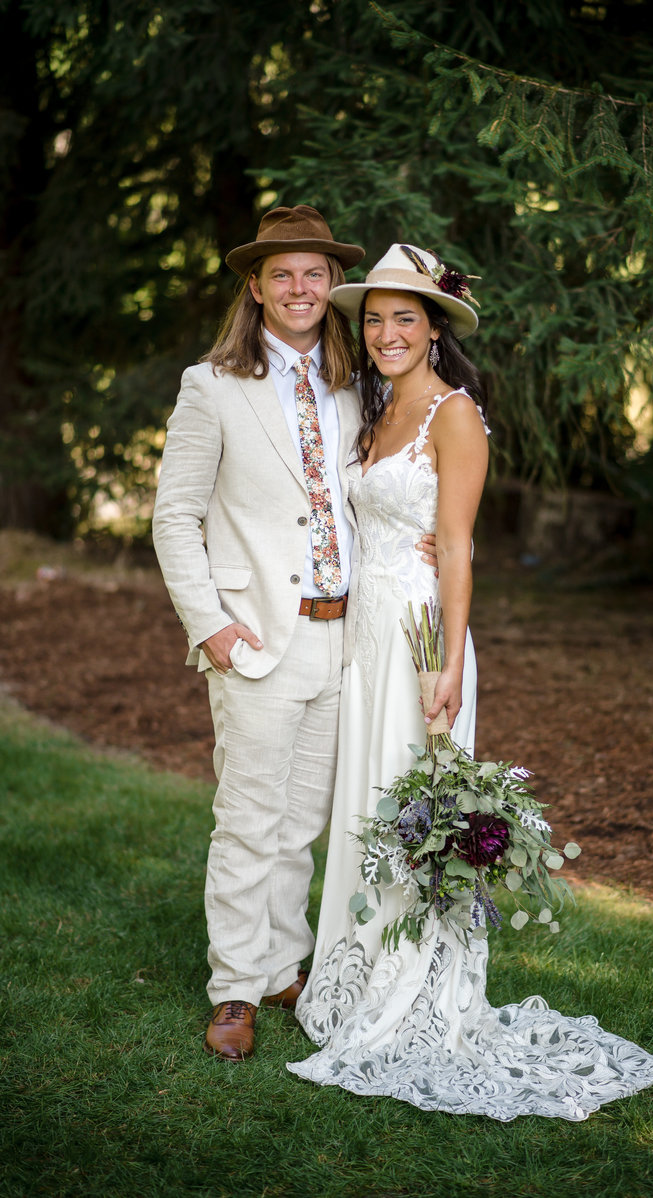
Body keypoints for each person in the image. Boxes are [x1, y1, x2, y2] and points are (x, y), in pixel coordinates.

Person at [287, 243, 653, 1121]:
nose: (386, 333)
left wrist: (450, 660)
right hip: (365, 637)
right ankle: (356, 978)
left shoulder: (453, 414)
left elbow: (457, 545)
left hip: (422, 636)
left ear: (435, 329)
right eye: (374, 319)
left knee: (412, 804)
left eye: (404, 319)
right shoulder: (376, 407)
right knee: (366, 802)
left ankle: (416, 992)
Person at [152, 207, 437, 1062]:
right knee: (248, 819)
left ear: (332, 285)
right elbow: (174, 515)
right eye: (282, 274)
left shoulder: (356, 386)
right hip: (255, 635)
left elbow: (381, 486)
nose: (300, 288)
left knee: (303, 819)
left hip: (344, 636)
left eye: (315, 273)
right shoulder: (211, 386)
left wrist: (418, 536)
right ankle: (235, 988)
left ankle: (282, 965)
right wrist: (211, 626)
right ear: (256, 286)